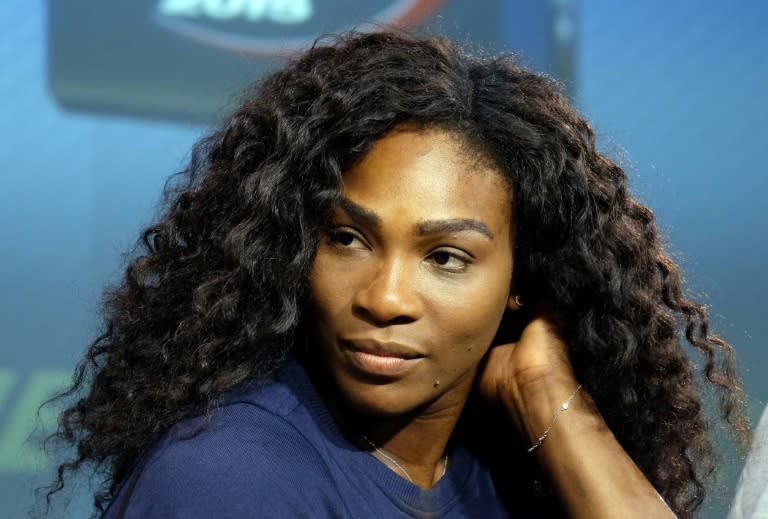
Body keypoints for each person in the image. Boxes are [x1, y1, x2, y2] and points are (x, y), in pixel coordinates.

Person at [43, 31, 749, 518]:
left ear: (519, 279)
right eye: (348, 238)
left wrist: (545, 393)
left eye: (445, 257)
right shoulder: (229, 476)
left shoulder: (505, 468)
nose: (383, 298)